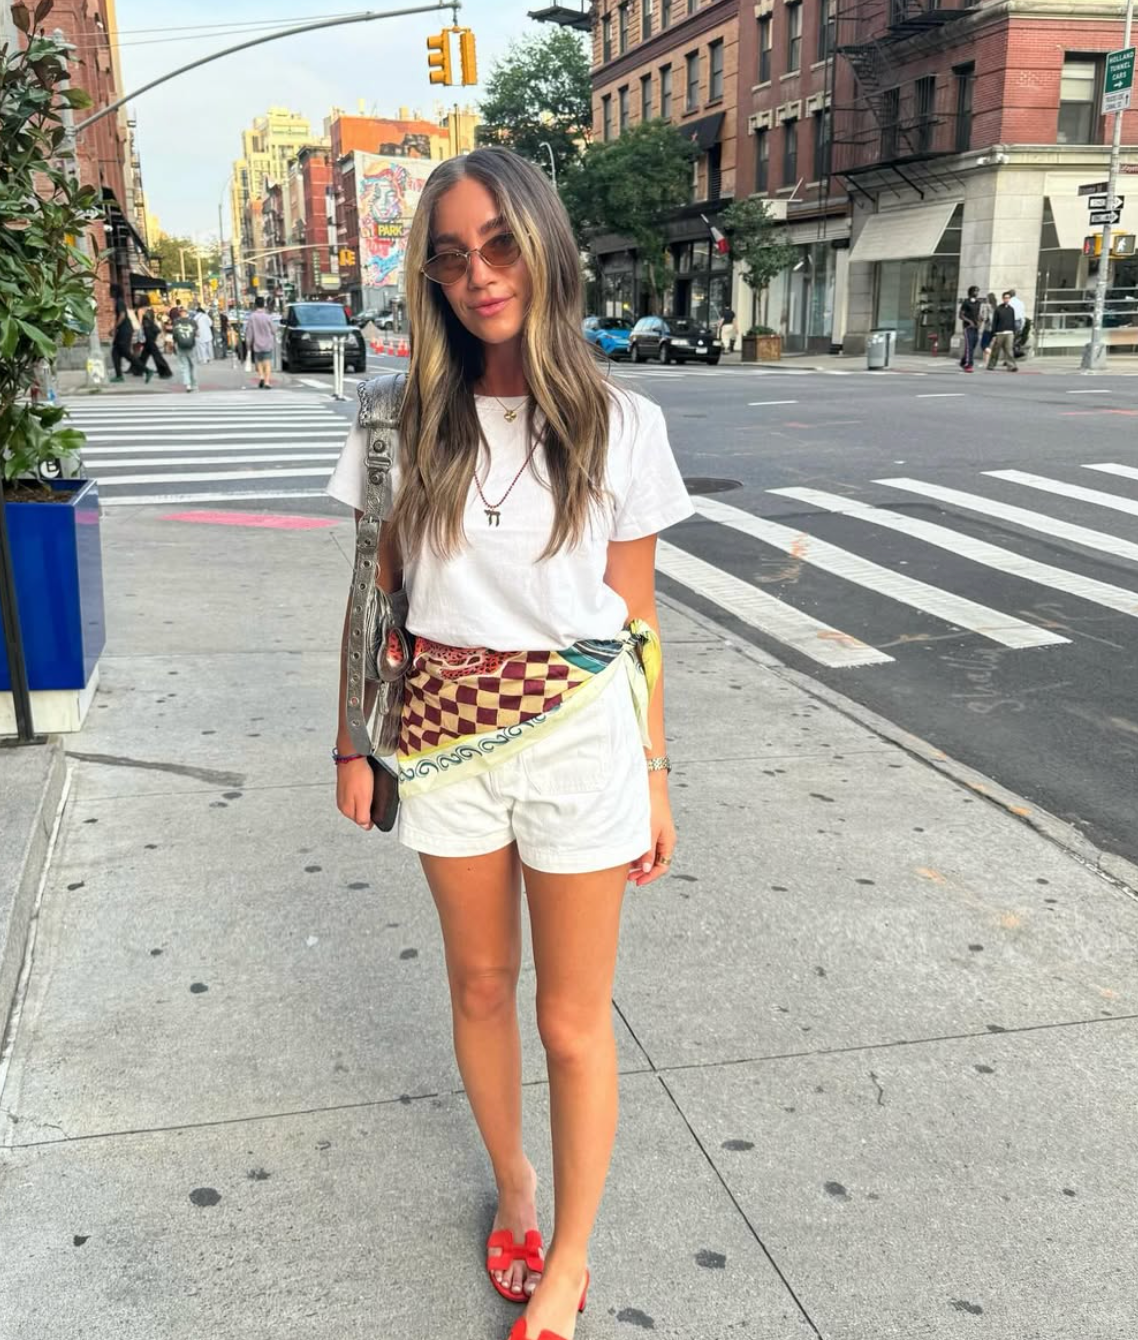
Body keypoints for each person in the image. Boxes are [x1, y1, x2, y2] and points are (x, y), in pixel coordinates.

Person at [326, 147, 691, 1340]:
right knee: (481, 983)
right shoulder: (396, 419)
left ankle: (570, 1257)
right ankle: (516, 1181)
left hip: (581, 741)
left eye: (497, 246)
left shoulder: (621, 423)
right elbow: (373, 591)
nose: (478, 275)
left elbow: (635, 618)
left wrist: (654, 773)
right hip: (442, 739)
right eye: (451, 256)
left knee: (570, 1019)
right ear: (430, 278)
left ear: (543, 248)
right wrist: (351, 741)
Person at [108, 283, 144, 382]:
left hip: (124, 330)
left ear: (115, 292)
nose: (109, 293)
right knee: (116, 353)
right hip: (124, 330)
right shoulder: (119, 301)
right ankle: (119, 375)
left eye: (111, 290)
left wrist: (114, 328)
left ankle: (145, 370)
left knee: (126, 353)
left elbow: (122, 315)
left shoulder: (119, 302)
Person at [243, 296, 276, 388]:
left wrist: (248, 344)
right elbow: (273, 330)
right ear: (263, 304)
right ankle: (267, 382)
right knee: (267, 363)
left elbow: (249, 332)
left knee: (259, 362)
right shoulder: (267, 317)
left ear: (255, 305)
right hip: (267, 343)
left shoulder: (252, 317)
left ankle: (261, 376)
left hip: (257, 344)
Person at [137, 303, 173, 381]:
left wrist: (139, 333)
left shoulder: (141, 310)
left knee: (155, 353)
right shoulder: (150, 309)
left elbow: (140, 323)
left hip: (147, 331)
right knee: (145, 352)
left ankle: (165, 371)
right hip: (153, 331)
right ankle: (138, 369)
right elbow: (153, 320)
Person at [170, 306, 199, 392]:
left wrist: (174, 344)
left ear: (180, 313)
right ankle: (194, 384)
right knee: (193, 365)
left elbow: (174, 335)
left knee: (184, 365)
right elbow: (197, 334)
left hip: (180, 346)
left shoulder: (176, 322)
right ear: (187, 313)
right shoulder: (192, 322)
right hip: (191, 345)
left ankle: (188, 385)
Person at [987, 292, 1018, 371]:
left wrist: (1013, 332)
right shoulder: (998, 309)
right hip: (999, 333)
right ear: (1003, 299)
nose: (1006, 299)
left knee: (1009, 350)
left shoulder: (1011, 309)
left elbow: (1012, 321)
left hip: (1009, 333)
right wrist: (994, 333)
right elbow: (995, 322)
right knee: (996, 350)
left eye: (1008, 298)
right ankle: (991, 365)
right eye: (1005, 298)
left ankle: (1011, 366)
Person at [958, 285, 982, 372]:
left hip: (975, 327)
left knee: (973, 344)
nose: (976, 293)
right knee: (969, 346)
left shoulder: (978, 303)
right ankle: (968, 365)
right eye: (975, 291)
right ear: (970, 292)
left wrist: (980, 321)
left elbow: (978, 314)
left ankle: (963, 361)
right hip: (968, 327)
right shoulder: (966, 302)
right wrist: (969, 321)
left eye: (977, 291)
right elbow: (961, 315)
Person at [980, 290, 997, 356]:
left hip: (988, 328)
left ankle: (989, 353)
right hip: (994, 329)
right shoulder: (996, 307)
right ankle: (987, 359)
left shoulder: (987, 306)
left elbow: (985, 317)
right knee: (989, 344)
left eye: (987, 298)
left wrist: (982, 318)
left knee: (983, 345)